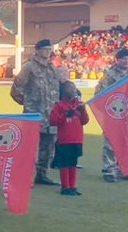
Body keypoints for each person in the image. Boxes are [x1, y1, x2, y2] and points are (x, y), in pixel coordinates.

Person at [11, 39, 60, 185]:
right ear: (37, 50)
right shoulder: (29, 67)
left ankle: (42, 174)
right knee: (30, 147)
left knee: (48, 146)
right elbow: (16, 90)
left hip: (50, 115)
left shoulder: (52, 68)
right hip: (34, 115)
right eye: (45, 49)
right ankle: (26, 176)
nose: (48, 52)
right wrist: (28, 104)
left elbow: (55, 89)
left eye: (49, 49)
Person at [97, 48, 128, 182]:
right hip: (114, 114)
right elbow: (100, 92)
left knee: (125, 143)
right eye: (124, 58)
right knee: (111, 143)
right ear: (118, 60)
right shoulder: (110, 75)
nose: (127, 61)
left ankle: (123, 169)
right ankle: (109, 169)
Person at [50, 81, 89, 196]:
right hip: (64, 140)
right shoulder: (59, 105)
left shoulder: (79, 105)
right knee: (64, 164)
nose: (71, 91)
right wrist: (66, 115)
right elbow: (53, 121)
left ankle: (72, 186)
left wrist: (83, 110)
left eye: (73, 88)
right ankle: (65, 187)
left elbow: (85, 121)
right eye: (69, 89)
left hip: (77, 139)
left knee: (73, 163)